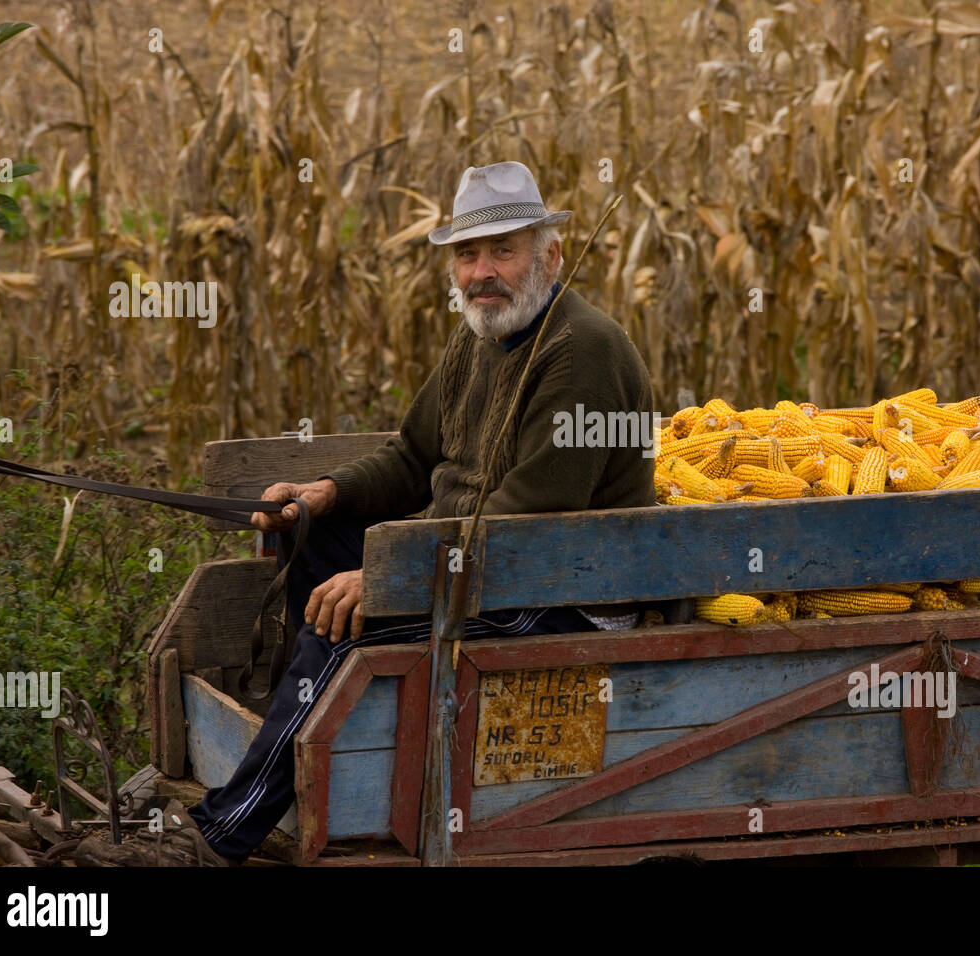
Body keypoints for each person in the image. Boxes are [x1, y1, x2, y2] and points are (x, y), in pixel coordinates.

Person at [177, 161, 656, 864]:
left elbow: (529, 523)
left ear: (549, 254)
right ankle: (315, 743)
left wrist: (389, 584)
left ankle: (221, 836)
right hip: (479, 556)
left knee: (347, 625)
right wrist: (323, 495)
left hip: (563, 587)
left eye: (504, 249)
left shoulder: (578, 350)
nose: (483, 272)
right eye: (468, 254)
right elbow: (411, 456)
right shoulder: (481, 337)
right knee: (314, 546)